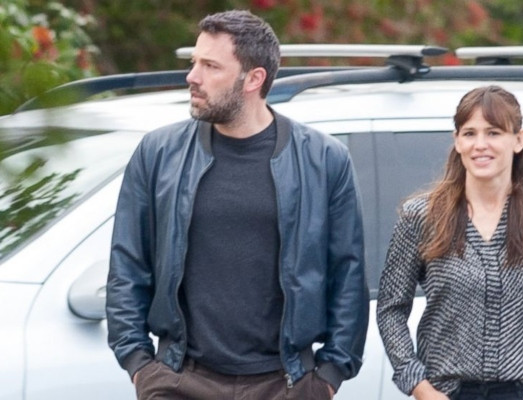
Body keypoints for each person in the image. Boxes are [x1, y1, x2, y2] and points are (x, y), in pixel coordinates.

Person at [106, 9, 368, 400]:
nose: (192, 77)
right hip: (179, 381)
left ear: (254, 78)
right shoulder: (158, 153)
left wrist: (328, 376)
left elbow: (348, 274)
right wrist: (140, 366)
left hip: (287, 384)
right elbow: (128, 265)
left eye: (210, 66)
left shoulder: (325, 160)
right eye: (194, 62)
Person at [376, 85, 523, 400]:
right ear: (457, 141)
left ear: (518, 139)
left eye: (493, 133)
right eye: (470, 133)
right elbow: (391, 309)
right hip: (447, 390)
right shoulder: (421, 215)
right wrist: (419, 386)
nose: (480, 145)